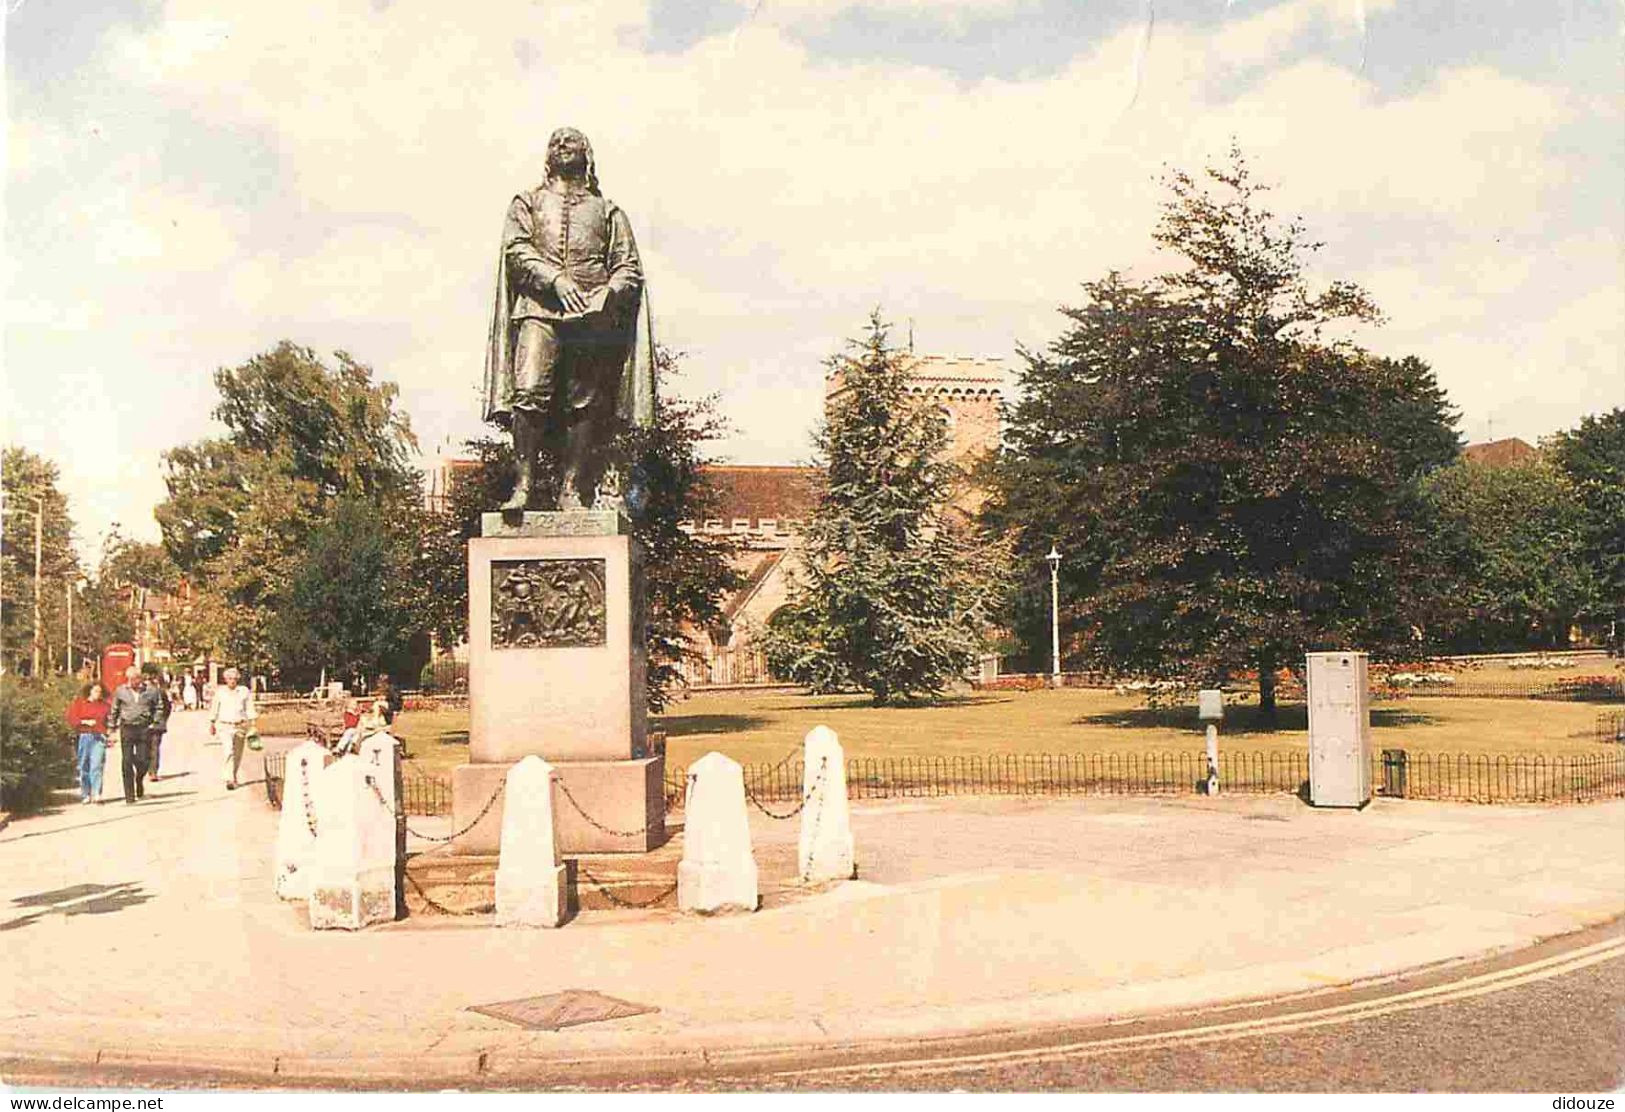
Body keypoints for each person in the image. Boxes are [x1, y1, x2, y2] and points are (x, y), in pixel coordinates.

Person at [483, 126, 655, 511]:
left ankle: (571, 489)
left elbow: (628, 267)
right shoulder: (526, 203)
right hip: (539, 310)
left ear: (587, 155)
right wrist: (555, 280)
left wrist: (609, 292)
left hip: (590, 319)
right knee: (527, 392)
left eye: (571, 141)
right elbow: (516, 251)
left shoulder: (608, 212)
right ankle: (524, 486)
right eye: (555, 141)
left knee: (584, 404)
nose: (562, 145)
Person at [107, 666, 161, 804]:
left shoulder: (151, 691)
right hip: (127, 727)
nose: (131, 682)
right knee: (126, 761)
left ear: (140, 679)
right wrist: (111, 727)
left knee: (143, 760)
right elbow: (114, 709)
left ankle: (139, 779)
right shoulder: (121, 691)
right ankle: (129, 795)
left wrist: (155, 722)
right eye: (129, 679)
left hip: (144, 728)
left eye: (134, 679)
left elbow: (159, 706)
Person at [209, 666, 258, 790]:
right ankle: (229, 778)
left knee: (237, 753)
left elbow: (249, 707)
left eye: (234, 679)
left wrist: (253, 724)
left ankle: (234, 775)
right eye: (229, 678)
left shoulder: (244, 691)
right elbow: (214, 708)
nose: (232, 681)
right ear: (225, 679)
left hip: (240, 725)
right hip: (225, 726)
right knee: (228, 751)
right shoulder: (220, 692)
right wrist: (212, 723)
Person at [64, 681, 111, 805]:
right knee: (84, 766)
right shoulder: (80, 704)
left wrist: (110, 733)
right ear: (89, 691)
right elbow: (71, 717)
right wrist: (84, 722)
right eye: (96, 691)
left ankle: (97, 793)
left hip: (99, 737)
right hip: (84, 736)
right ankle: (85, 793)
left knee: (97, 765)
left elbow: (110, 721)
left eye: (100, 692)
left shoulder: (105, 706)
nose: (98, 694)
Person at [145, 668, 173, 782]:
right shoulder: (161, 692)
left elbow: (167, 707)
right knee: (152, 748)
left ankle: (152, 771)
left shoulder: (159, 692)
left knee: (152, 747)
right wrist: (164, 719)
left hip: (153, 724)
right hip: (155, 724)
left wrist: (163, 719)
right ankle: (152, 771)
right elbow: (168, 708)